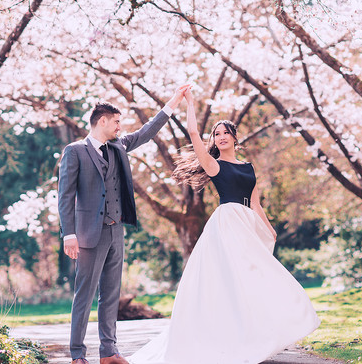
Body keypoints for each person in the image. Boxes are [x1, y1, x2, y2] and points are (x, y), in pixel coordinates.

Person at [127, 87, 320, 364]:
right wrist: (190, 103)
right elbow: (194, 135)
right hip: (227, 222)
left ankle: (263, 329)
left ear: (234, 137)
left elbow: (255, 202)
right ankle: (230, 335)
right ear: (215, 141)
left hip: (247, 222)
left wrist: (268, 226)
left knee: (259, 276)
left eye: (226, 132)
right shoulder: (214, 165)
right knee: (232, 279)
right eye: (217, 134)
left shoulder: (248, 167)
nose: (221, 137)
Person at [58, 84, 190, 364]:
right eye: (117, 121)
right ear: (102, 121)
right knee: (84, 295)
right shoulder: (75, 151)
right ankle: (77, 355)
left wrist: (174, 101)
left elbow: (147, 131)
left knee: (111, 294)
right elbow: (65, 196)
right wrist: (68, 233)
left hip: (115, 231)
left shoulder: (118, 145)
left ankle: (109, 352)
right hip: (87, 235)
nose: (120, 126)